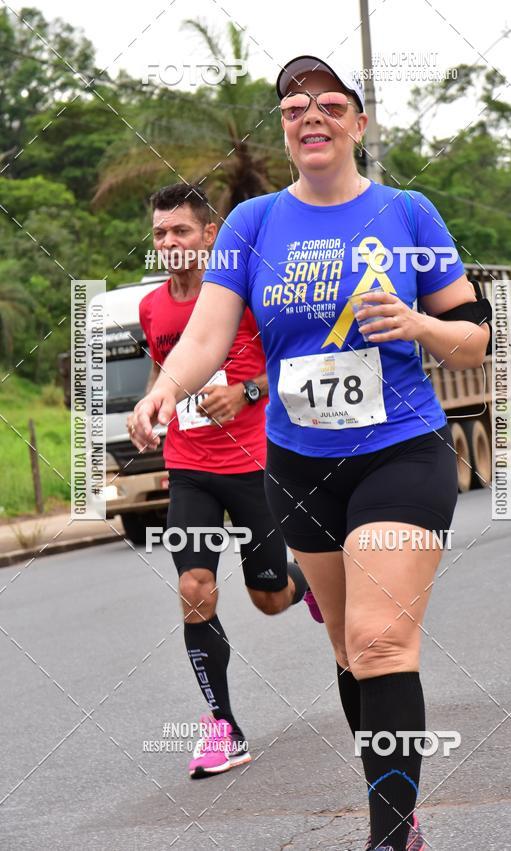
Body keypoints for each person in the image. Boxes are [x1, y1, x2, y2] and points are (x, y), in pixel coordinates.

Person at [129, 58, 491, 849]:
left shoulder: (408, 211)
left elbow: (476, 335)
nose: (311, 115)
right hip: (299, 465)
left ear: (359, 123)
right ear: (286, 131)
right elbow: (208, 335)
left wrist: (420, 327)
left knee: (380, 640)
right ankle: (399, 809)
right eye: (294, 107)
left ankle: (388, 836)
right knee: (347, 647)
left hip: (401, 449)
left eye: (329, 103)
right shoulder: (254, 225)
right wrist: (164, 388)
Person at [132, 182, 312, 779]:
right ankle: (224, 728)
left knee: (267, 599)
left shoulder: (246, 294)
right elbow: (169, 373)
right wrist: (153, 410)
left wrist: (246, 393)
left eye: (181, 230)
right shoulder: (152, 308)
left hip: (257, 463)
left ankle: (300, 583)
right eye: (160, 233)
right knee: (195, 588)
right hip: (189, 468)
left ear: (209, 234)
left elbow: (288, 368)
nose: (169, 242)